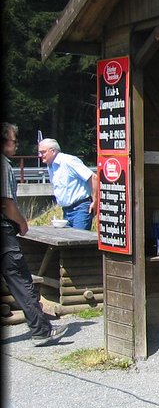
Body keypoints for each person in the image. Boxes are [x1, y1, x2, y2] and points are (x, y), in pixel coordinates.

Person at [3, 123, 68, 346]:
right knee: (21, 280)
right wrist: (22, 223)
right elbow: (6, 203)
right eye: (13, 141)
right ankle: (41, 330)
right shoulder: (3, 165)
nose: (16, 144)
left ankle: (41, 327)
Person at [37, 138, 99, 230]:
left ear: (53, 151)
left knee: (79, 241)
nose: (40, 155)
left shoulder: (68, 161)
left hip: (80, 208)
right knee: (68, 241)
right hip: (66, 211)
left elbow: (93, 177)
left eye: (43, 152)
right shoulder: (50, 166)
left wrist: (95, 201)